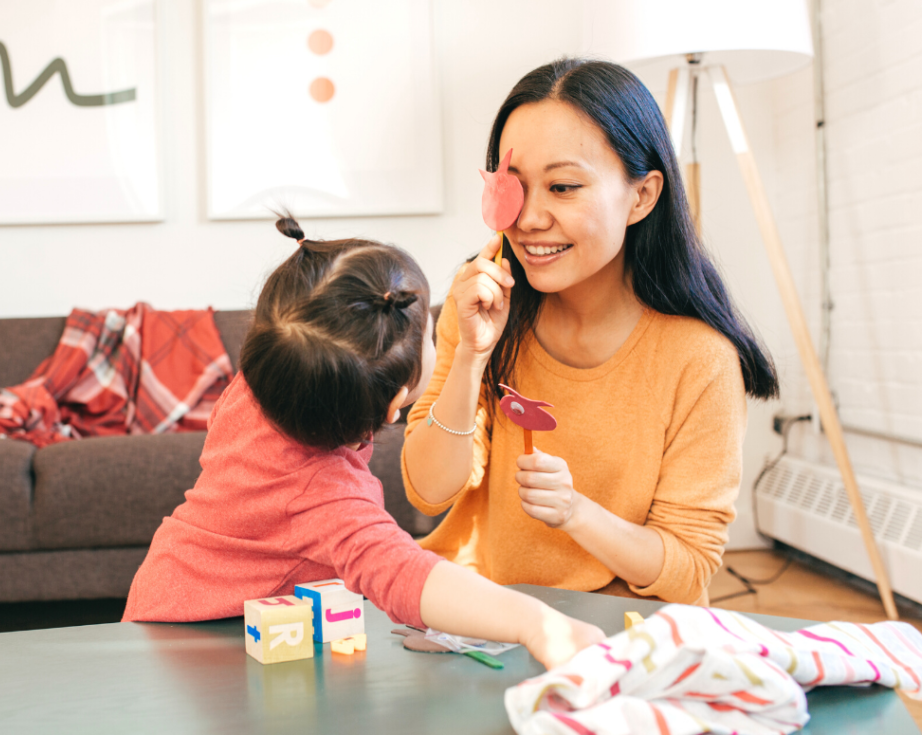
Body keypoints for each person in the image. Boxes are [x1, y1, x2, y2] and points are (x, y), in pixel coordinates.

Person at [123, 216, 604, 669]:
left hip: (163, 595)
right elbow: (404, 575)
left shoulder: (266, 378)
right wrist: (535, 622)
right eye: (432, 335)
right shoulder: (324, 494)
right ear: (395, 406)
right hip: (199, 637)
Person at [402, 59, 779, 606]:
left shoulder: (700, 359)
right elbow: (429, 490)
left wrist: (577, 513)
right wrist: (471, 358)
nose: (529, 218)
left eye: (563, 186)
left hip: (621, 639)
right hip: (486, 619)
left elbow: (688, 569)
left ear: (642, 196)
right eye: (514, 186)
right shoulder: (481, 308)